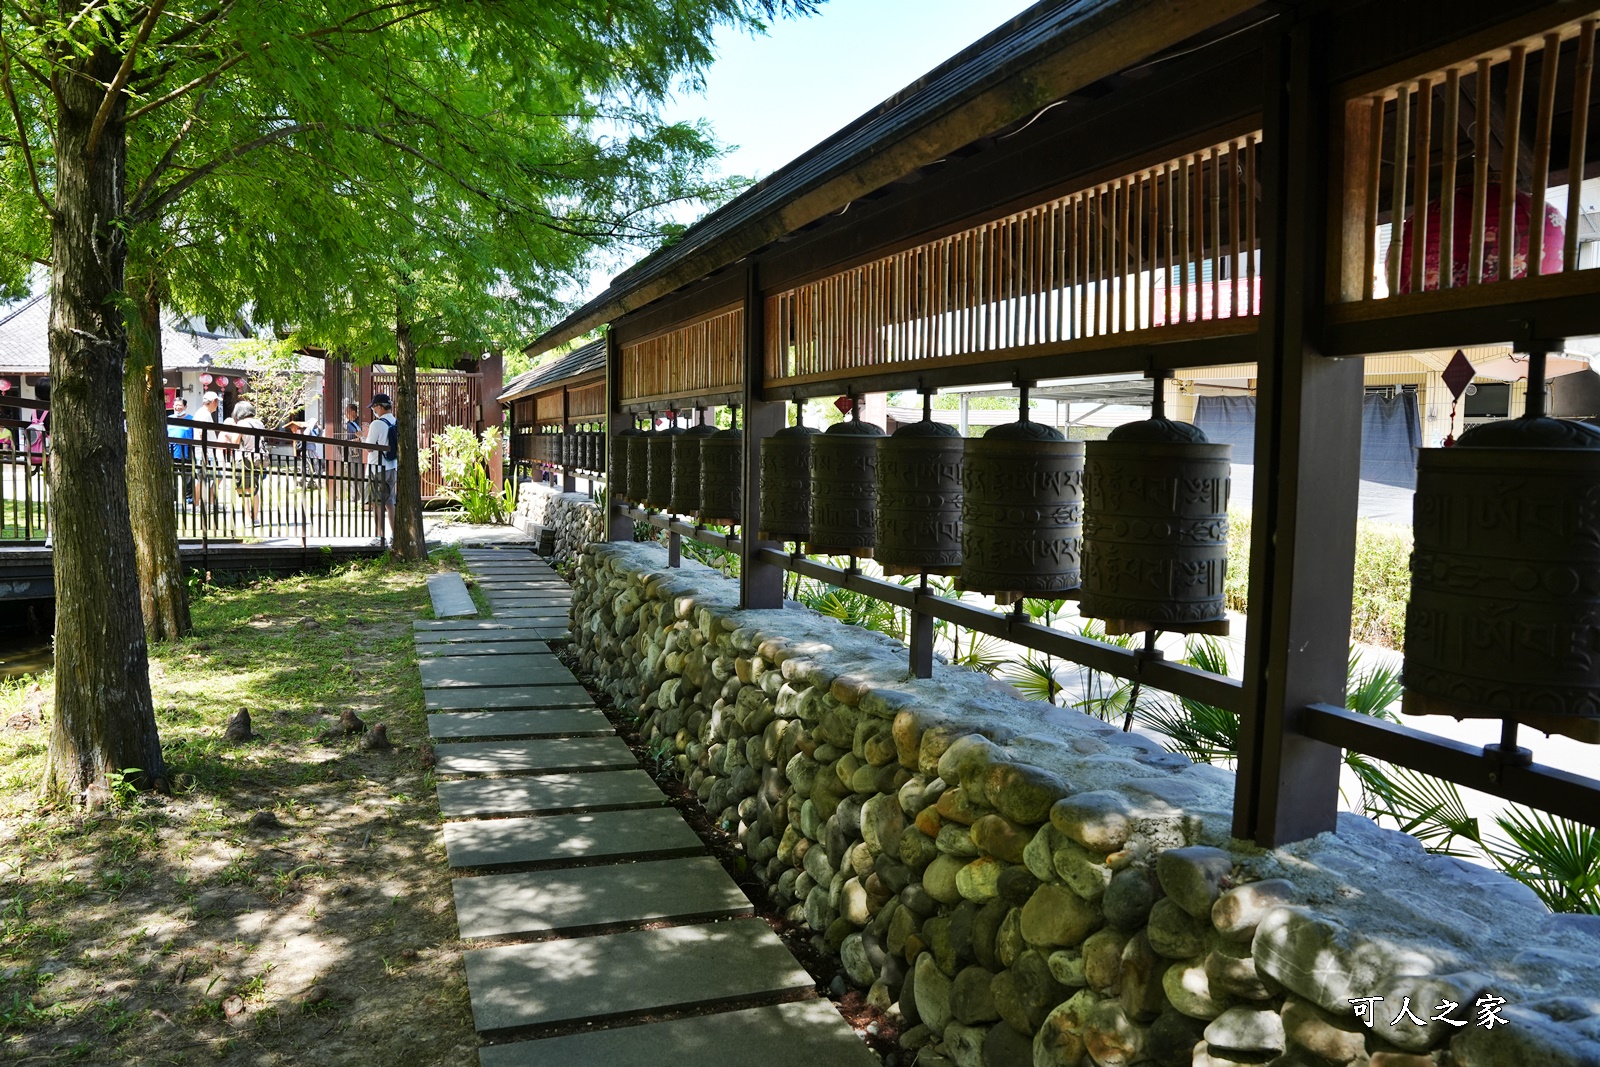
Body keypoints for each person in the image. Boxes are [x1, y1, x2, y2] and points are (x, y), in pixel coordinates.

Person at [224, 400, 268, 526]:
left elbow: (235, 442)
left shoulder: (242, 424)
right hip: (258, 458)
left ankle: (248, 518)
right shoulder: (259, 423)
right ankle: (255, 518)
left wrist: (228, 435)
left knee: (242, 489)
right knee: (253, 489)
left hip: (243, 458)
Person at [364, 393, 398, 545]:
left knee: (376, 502)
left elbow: (369, 448)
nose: (374, 410)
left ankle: (380, 537)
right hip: (392, 467)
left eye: (374, 407)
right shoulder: (397, 421)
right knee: (389, 502)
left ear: (379, 406)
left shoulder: (376, 424)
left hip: (377, 468)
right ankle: (395, 535)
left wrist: (362, 437)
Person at [169, 396, 195, 507]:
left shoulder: (192, 419)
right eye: (175, 405)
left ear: (185, 406)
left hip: (186, 452)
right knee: (171, 476)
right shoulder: (169, 418)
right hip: (171, 452)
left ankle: (189, 498)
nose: (177, 407)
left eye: (180, 405)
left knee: (188, 476)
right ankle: (173, 498)